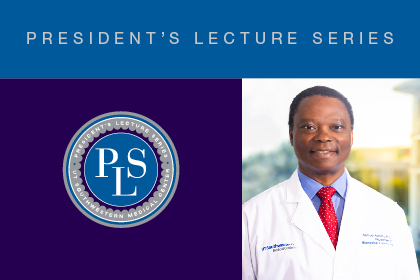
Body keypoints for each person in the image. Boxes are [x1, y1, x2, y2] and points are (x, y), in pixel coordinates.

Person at [242, 86, 419, 280]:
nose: (323, 137)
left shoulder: (390, 214)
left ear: (351, 136)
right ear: (292, 135)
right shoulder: (251, 216)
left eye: (336, 127)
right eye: (309, 127)